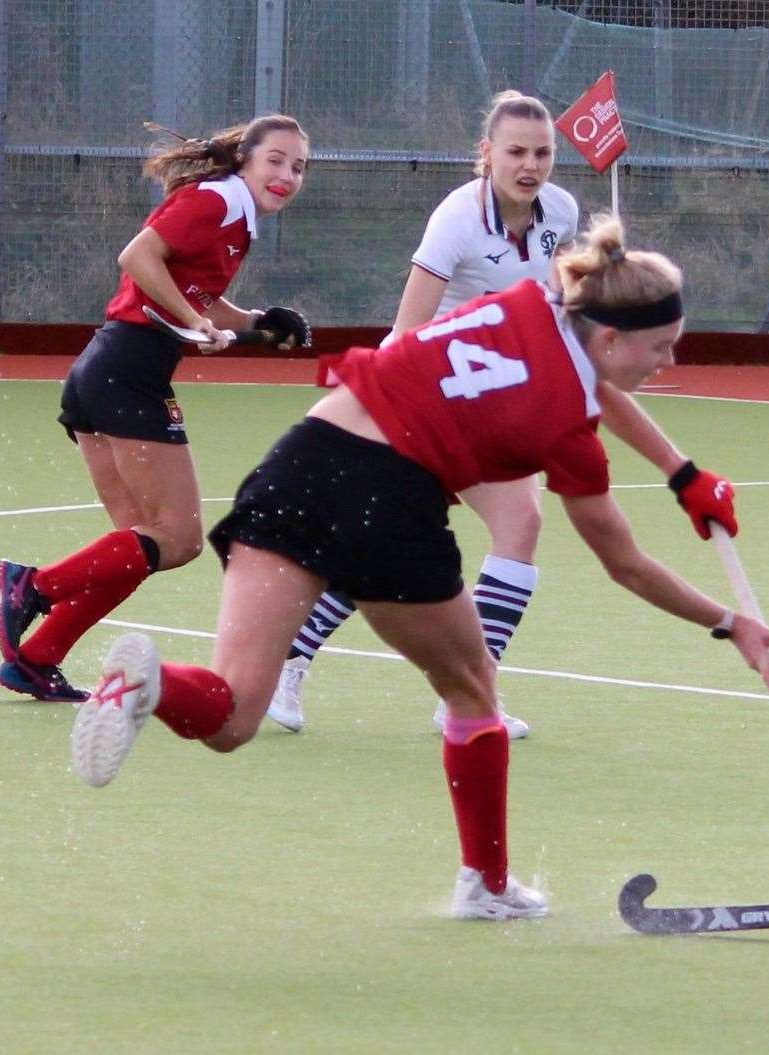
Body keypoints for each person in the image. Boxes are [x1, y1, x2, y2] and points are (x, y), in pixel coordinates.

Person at [67, 215, 769, 921]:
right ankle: (488, 885)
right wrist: (730, 621)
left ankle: (150, 684)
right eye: (662, 346)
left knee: (232, 713)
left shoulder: (530, 300)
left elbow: (592, 380)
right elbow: (624, 563)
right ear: (612, 335)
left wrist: (678, 469)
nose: (670, 362)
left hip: (301, 459)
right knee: (472, 690)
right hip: (390, 496)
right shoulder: (569, 430)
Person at [264, 89, 733, 740]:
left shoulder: (561, 212)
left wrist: (675, 465)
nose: (530, 165)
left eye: (542, 153)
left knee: (522, 524)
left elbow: (571, 340)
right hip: (432, 399)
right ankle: (291, 659)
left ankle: (467, 693)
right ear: (485, 154)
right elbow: (405, 330)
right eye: (515, 151)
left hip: (505, 405)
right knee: (385, 541)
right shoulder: (457, 219)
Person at [0, 115, 313, 702]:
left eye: (299, 166)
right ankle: (32, 586)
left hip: (103, 369)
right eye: (276, 160)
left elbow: (198, 296)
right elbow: (138, 257)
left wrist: (258, 325)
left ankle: (36, 660)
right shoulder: (217, 201)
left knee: (134, 548)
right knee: (180, 539)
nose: (287, 175)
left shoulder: (234, 217)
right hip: (128, 374)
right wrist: (195, 324)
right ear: (245, 158)